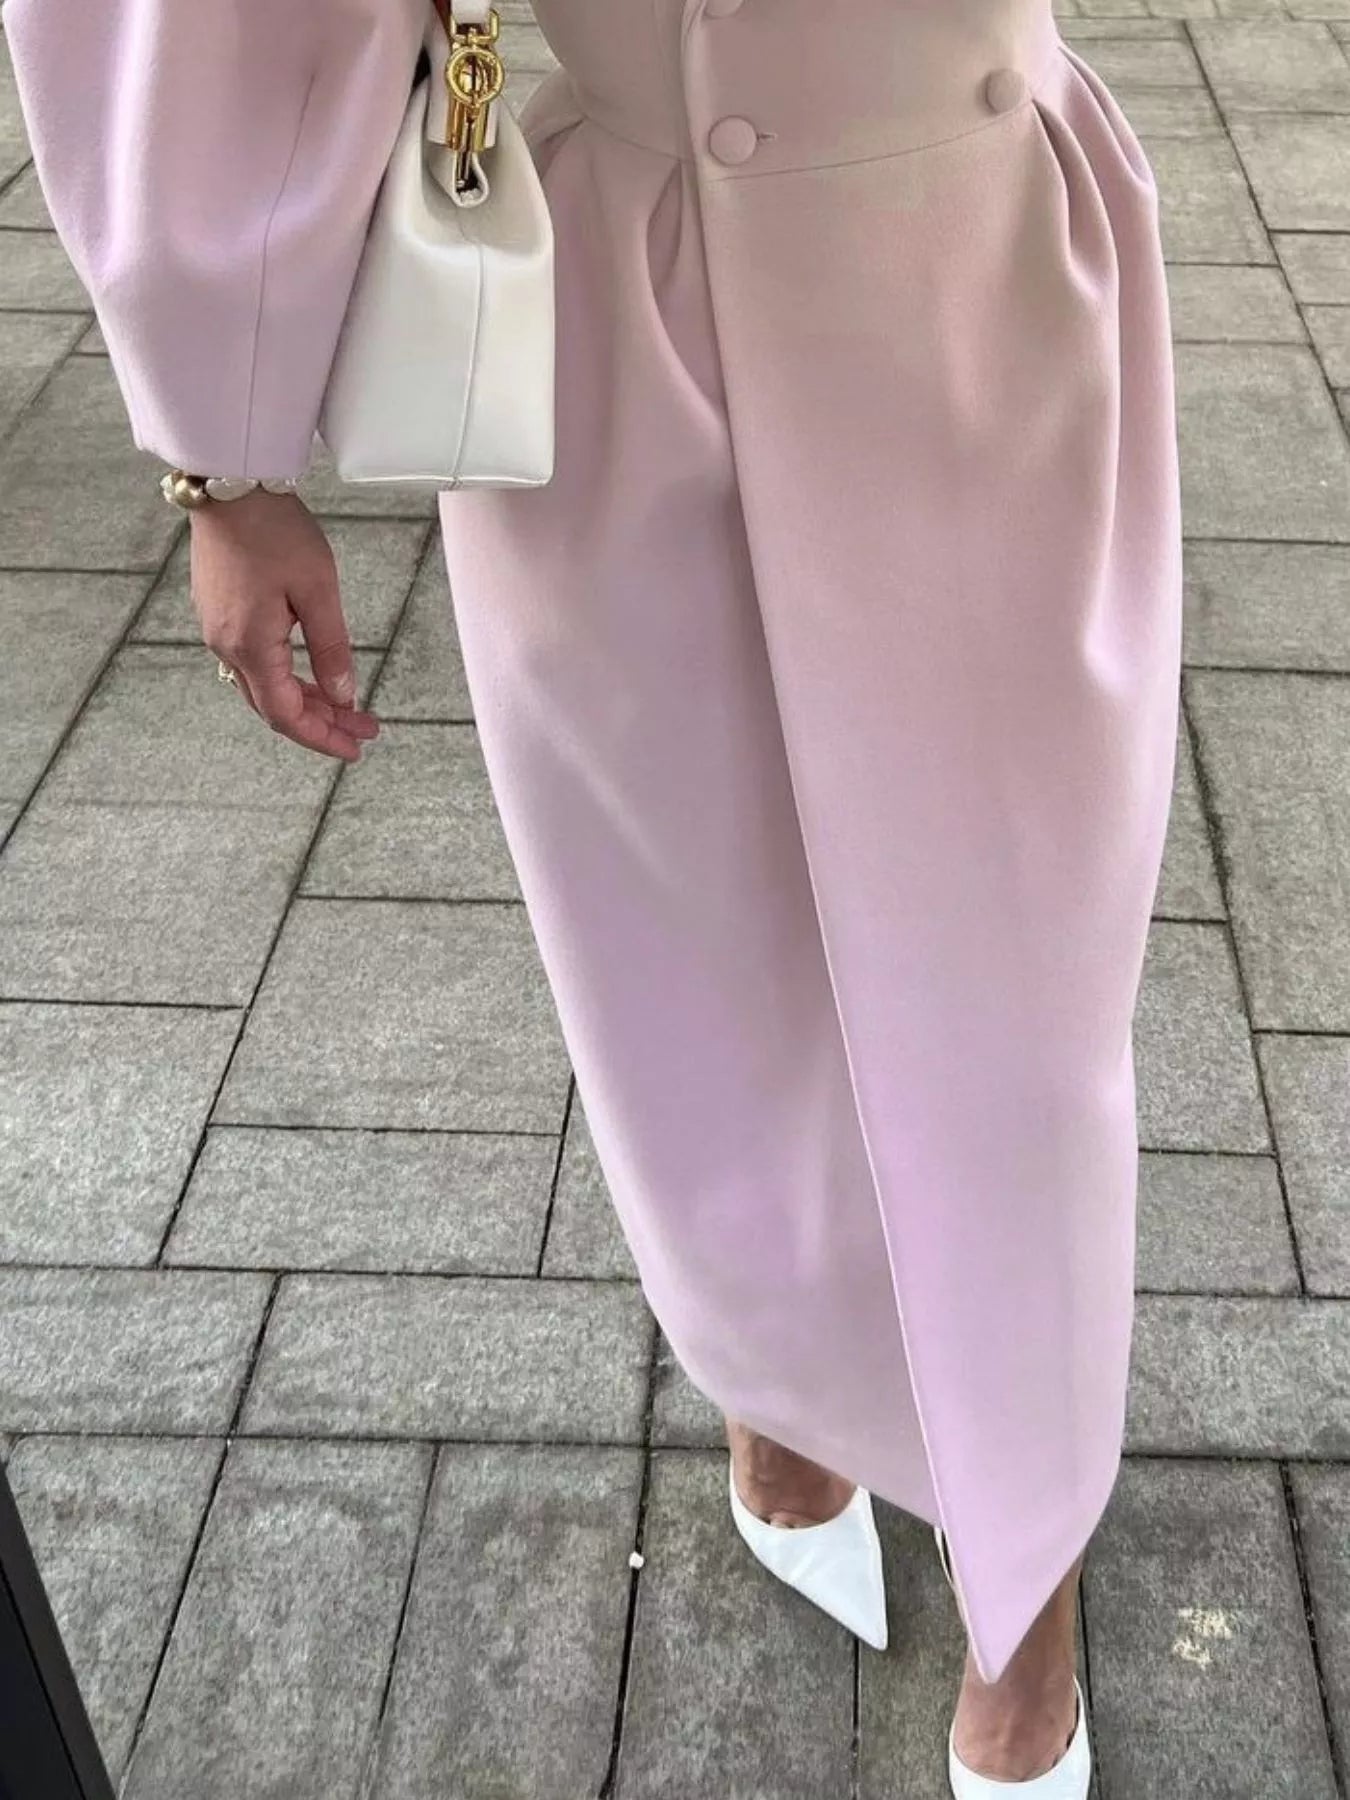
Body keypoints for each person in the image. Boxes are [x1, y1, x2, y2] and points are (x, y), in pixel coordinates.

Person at [7, 0, 1182, 1791]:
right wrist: (222, 456)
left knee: (1016, 1032)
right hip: (628, 308)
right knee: (681, 967)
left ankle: (1027, 1587)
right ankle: (774, 1384)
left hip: (975, 264)